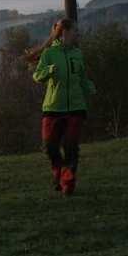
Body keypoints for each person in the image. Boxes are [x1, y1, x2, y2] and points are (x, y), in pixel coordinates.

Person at [28, 18, 96, 195]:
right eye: (75, 31)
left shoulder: (77, 53)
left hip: (76, 107)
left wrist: (89, 86)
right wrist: (49, 71)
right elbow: (37, 76)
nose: (78, 34)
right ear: (65, 32)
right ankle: (58, 173)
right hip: (52, 107)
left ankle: (68, 181)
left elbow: (81, 77)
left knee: (71, 146)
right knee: (50, 147)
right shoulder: (49, 54)